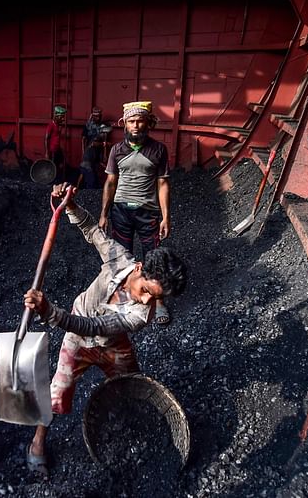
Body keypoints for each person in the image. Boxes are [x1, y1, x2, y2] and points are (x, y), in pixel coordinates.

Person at [23, 182, 188, 478]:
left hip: (112, 342)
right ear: (139, 269)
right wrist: (70, 204)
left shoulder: (141, 316)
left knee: (130, 383)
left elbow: (98, 326)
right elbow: (92, 230)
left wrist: (50, 313)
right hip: (78, 337)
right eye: (148, 291)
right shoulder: (119, 260)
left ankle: (131, 427)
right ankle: (37, 443)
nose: (149, 301)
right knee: (58, 391)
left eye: (158, 298)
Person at [100, 101, 172, 325]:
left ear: (148, 123)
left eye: (140, 121)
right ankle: (124, 298)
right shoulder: (117, 150)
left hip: (147, 212)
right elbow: (110, 182)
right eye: (132, 121)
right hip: (120, 211)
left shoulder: (158, 150)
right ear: (125, 124)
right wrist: (104, 213)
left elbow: (162, 184)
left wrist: (166, 216)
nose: (136, 125)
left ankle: (159, 301)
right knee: (123, 257)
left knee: (154, 256)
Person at [79, 107, 111, 189]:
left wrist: (104, 154)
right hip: (89, 152)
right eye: (96, 116)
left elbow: (105, 139)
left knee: (94, 171)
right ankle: (81, 188)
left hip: (97, 153)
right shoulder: (88, 126)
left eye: (99, 116)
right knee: (87, 171)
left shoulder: (103, 126)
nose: (98, 118)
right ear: (93, 116)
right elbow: (84, 139)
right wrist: (83, 152)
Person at [44, 106, 67, 182]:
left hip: (57, 148)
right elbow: (46, 138)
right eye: (61, 117)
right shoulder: (51, 125)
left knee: (60, 163)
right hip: (52, 150)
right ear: (56, 116)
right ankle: (51, 181)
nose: (63, 119)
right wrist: (47, 152)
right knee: (53, 166)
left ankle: (57, 179)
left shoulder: (57, 125)